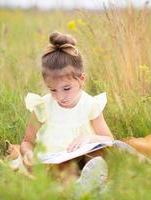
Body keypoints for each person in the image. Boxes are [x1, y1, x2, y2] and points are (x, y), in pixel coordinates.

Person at [20, 31, 114, 190]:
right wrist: (28, 154)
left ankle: (94, 179)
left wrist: (89, 138)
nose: (61, 97)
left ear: (81, 79)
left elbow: (109, 139)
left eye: (66, 88)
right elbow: (27, 142)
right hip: (57, 160)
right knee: (65, 172)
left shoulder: (90, 105)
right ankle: (78, 188)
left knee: (98, 156)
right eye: (53, 90)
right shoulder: (43, 106)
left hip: (84, 155)